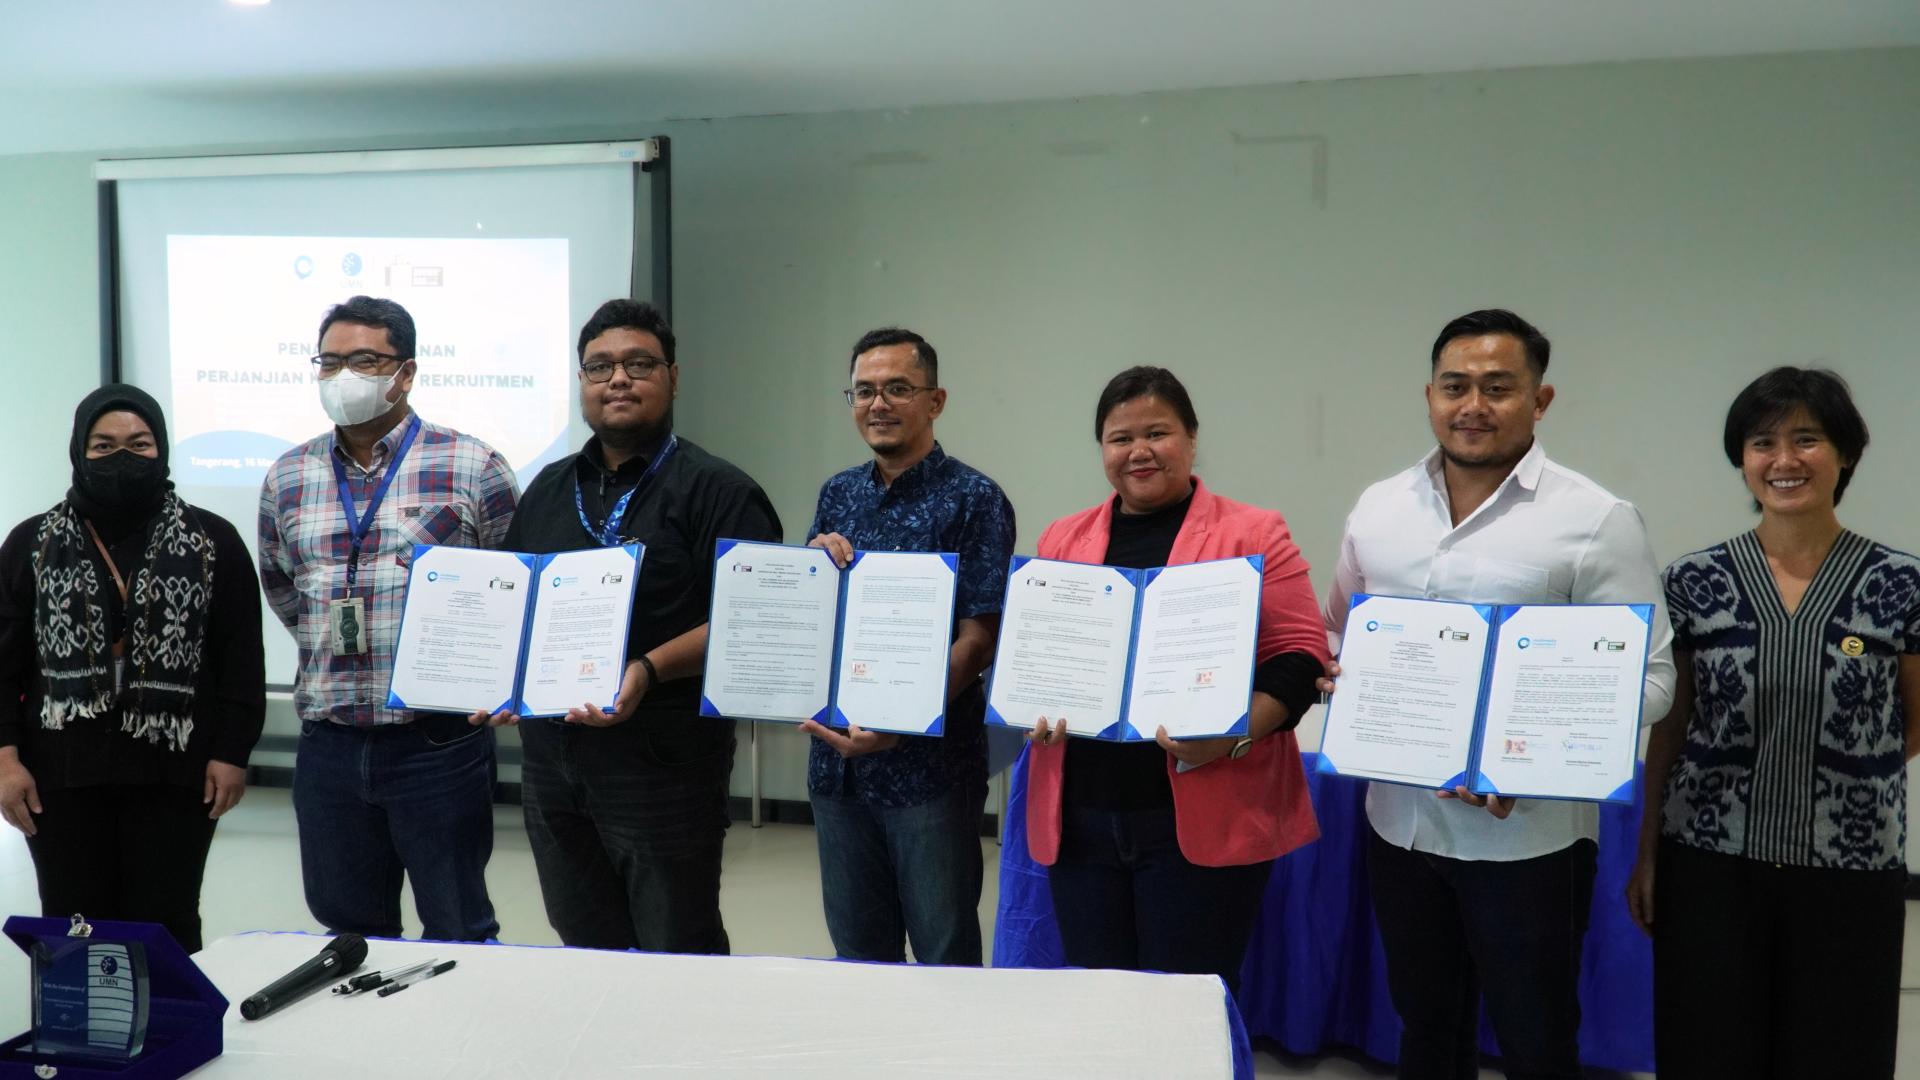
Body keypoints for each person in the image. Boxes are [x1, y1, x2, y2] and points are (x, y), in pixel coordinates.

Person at [1321, 309, 1675, 1079]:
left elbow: (1652, 681)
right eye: (1455, 386)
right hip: (1400, 828)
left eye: (1497, 387)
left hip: (1529, 842)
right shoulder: (1380, 507)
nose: (1472, 405)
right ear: (1429, 395)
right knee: (1426, 1033)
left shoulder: (1595, 520)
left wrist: (1530, 760)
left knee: (1536, 1043)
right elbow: (1339, 635)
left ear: (1540, 400)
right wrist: (1344, 679)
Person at [1626, 367, 1917, 1079]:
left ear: (1845, 453)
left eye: (1807, 439)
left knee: (1837, 1057)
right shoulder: (1695, 583)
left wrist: (1840, 773)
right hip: (1710, 865)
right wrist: (1648, 854)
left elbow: (1914, 721)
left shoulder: (1900, 584)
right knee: (1707, 1054)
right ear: (1743, 459)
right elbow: (1671, 729)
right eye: (1763, 442)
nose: (1784, 460)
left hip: (1850, 872)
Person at [471, 299, 781, 953]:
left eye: (639, 364)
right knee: (583, 938)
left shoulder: (721, 491)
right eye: (599, 366)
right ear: (582, 381)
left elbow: (752, 623)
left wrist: (648, 669)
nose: (618, 379)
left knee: (677, 943)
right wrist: (500, 675)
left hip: (662, 763)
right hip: (552, 761)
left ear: (673, 377)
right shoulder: (549, 488)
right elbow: (514, 605)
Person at [1020, 366, 1326, 993]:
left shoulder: (1253, 532)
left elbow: (1300, 658)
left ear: (1190, 437)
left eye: (1156, 433)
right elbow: (1042, 654)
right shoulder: (1062, 536)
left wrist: (1231, 737)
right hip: (1081, 817)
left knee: (1187, 1005)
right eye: (1120, 438)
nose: (1139, 451)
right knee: (1099, 1000)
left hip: (1200, 812)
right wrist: (1029, 701)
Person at [258, 295, 519, 943]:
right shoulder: (289, 476)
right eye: (330, 362)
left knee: (459, 925)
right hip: (329, 745)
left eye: (365, 361)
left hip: (436, 744)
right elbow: (284, 588)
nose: (343, 376)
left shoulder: (474, 466)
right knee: (350, 930)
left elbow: (514, 588)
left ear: (406, 373)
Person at [0, 385, 264, 952]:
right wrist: (4, 760)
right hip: (61, 775)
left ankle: (167, 1015)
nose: (123, 457)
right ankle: (81, 1015)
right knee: (73, 922)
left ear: (161, 448)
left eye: (139, 444)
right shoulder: (30, 543)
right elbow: (3, 666)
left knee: (166, 921)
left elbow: (241, 657)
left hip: (176, 772)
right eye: (104, 445)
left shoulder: (213, 539)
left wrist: (232, 753)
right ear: (79, 451)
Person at [798, 327, 1015, 966]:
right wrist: (808, 572)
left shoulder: (975, 499)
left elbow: (980, 638)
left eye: (898, 388)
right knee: (859, 956)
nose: (878, 404)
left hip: (929, 773)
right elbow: (816, 620)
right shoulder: (838, 493)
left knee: (944, 953)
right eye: (864, 391)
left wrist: (901, 718)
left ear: (935, 400)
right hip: (837, 768)